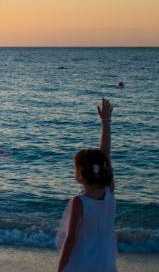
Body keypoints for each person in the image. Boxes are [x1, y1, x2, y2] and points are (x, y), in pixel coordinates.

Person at [56, 99, 116, 272]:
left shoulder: (79, 202)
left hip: (82, 263)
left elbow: (70, 238)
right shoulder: (109, 192)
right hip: (105, 263)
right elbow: (106, 154)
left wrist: (60, 268)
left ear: (81, 174)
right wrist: (106, 123)